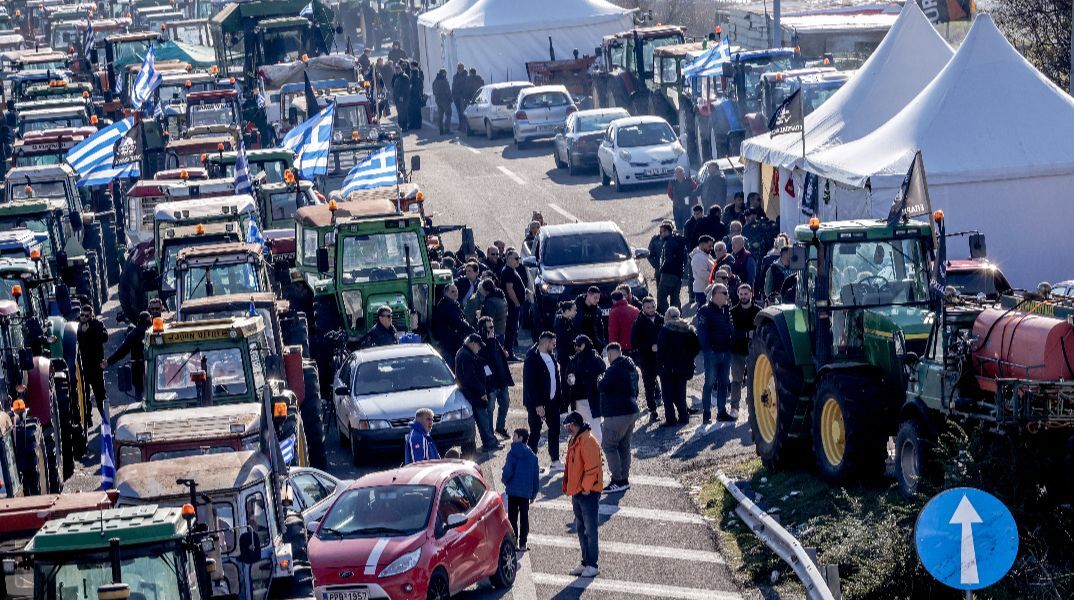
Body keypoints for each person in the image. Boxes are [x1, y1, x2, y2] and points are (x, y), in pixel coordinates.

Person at [562, 411, 602, 578]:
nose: (567, 429)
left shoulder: (588, 441)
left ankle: (592, 564)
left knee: (590, 530)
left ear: (575, 424)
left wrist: (585, 488)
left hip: (588, 493)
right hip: (578, 492)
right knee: (581, 528)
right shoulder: (575, 440)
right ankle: (585, 562)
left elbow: (592, 468)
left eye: (568, 426)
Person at [598, 343, 639, 493]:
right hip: (632, 410)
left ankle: (617, 479)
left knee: (609, 445)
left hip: (617, 413)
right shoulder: (631, 368)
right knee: (624, 445)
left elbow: (602, 386)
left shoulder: (613, 370)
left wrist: (600, 379)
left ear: (609, 355)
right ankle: (624, 479)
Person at [695, 283, 735, 423]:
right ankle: (706, 413)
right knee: (710, 383)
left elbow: (730, 327)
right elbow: (701, 332)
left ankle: (721, 411)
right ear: (715, 294)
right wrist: (708, 350)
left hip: (726, 352)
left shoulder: (725, 309)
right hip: (713, 353)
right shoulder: (704, 310)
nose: (727, 296)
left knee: (724, 382)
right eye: (724, 293)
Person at [523, 331, 563, 470]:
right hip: (537, 405)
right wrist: (537, 404)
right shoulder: (532, 359)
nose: (554, 346)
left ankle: (555, 460)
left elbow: (555, 379)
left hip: (552, 403)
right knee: (535, 432)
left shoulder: (551, 356)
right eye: (553, 344)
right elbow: (530, 384)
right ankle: (530, 463)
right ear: (546, 343)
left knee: (555, 430)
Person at [656, 307, 699, 426]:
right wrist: (688, 358)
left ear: (667, 316)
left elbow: (661, 350)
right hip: (683, 367)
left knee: (668, 395)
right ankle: (684, 417)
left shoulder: (665, 330)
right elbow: (696, 347)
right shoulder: (688, 329)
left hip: (668, 368)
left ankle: (671, 419)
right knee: (681, 393)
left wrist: (660, 366)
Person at [455, 334, 498, 451]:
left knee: (481, 418)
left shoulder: (464, 353)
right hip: (474, 395)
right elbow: (470, 377)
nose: (479, 349)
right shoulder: (466, 355)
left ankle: (487, 442)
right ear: (473, 343)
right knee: (483, 418)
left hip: (472, 393)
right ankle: (489, 442)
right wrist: (481, 392)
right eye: (478, 346)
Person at [502, 428, 540, 552]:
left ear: (521, 438)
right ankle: (523, 543)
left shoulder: (512, 453)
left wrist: (505, 480)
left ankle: (514, 542)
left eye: (515, 436)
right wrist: (534, 493)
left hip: (513, 491)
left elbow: (508, 471)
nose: (513, 438)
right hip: (525, 493)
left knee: (512, 517)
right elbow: (535, 477)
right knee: (524, 517)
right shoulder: (532, 456)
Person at [478, 316, 515, 437]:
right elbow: (487, 357)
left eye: (492, 327)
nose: (492, 330)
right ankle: (489, 434)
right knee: (490, 409)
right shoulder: (480, 343)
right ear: (483, 329)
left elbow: (500, 355)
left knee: (505, 404)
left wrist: (504, 353)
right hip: (491, 383)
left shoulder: (494, 340)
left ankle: (500, 427)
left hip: (501, 380)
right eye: (490, 327)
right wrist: (490, 342)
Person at [104, 311, 151, 401]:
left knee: (140, 398)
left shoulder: (133, 334)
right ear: (150, 319)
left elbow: (122, 351)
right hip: (157, 372)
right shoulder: (154, 331)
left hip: (138, 372)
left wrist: (109, 361)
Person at [567, 335, 605, 444]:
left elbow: (603, 372)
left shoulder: (595, 358)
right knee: (578, 429)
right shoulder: (575, 358)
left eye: (578, 344)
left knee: (595, 429)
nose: (576, 347)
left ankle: (598, 453)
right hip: (577, 400)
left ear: (585, 344)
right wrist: (569, 378)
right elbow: (568, 372)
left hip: (591, 399)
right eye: (575, 345)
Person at [631, 297, 663, 422]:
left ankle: (673, 410)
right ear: (643, 308)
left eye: (653, 306)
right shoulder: (638, 323)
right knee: (649, 386)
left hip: (662, 358)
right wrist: (650, 347)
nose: (651, 310)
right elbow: (634, 342)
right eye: (648, 307)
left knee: (668, 383)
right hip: (647, 359)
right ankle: (653, 411)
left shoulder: (662, 319)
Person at [730, 284, 760, 417]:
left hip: (754, 352)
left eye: (745, 294)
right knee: (736, 380)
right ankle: (734, 407)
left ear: (751, 294)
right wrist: (747, 334)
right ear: (738, 294)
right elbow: (732, 332)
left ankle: (752, 409)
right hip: (737, 352)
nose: (743, 296)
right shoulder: (733, 312)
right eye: (741, 294)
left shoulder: (758, 311)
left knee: (752, 381)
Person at [77, 302, 109, 421]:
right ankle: (88, 418)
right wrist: (82, 332)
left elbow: (105, 337)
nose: (83, 318)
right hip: (83, 367)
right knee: (84, 397)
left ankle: (105, 419)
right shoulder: (78, 325)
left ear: (91, 316)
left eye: (86, 316)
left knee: (100, 395)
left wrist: (89, 332)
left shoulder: (97, 324)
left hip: (96, 366)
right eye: (82, 315)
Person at [432, 284, 473, 359]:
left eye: (456, 291)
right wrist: (472, 330)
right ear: (446, 293)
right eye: (453, 292)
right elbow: (458, 322)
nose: (456, 293)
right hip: (448, 344)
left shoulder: (452, 303)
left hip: (450, 341)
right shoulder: (447, 306)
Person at [655, 221, 686, 313]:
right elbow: (685, 258)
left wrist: (662, 269)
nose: (661, 234)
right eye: (660, 232)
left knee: (661, 296)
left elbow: (668, 259)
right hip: (678, 273)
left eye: (663, 231)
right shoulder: (678, 240)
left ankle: (667, 315)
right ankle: (677, 316)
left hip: (669, 274)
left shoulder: (669, 243)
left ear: (668, 231)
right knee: (675, 297)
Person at [500, 251, 525, 359]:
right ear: (509, 259)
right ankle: (509, 353)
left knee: (513, 328)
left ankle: (509, 351)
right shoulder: (508, 271)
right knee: (511, 329)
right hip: (512, 306)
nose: (518, 260)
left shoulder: (511, 270)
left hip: (513, 306)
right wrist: (517, 303)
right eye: (516, 258)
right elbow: (509, 289)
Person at [573, 286, 606, 351]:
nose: (597, 300)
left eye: (598, 298)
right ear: (588, 295)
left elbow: (600, 328)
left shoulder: (597, 311)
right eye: (595, 298)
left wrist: (601, 342)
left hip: (593, 343)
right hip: (579, 342)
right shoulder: (575, 307)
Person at [553, 300, 577, 387]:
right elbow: (564, 338)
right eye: (574, 310)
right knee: (565, 377)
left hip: (570, 353)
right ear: (567, 311)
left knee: (571, 377)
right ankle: (565, 398)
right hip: (564, 354)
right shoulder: (560, 322)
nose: (576, 312)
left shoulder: (569, 321)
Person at [666, 166, 697, 230]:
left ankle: (687, 236)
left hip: (687, 206)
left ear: (684, 173)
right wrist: (674, 199)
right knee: (678, 224)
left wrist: (690, 197)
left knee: (687, 223)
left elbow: (695, 189)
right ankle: (680, 237)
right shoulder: (672, 182)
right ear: (675, 174)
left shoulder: (689, 180)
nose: (679, 174)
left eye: (680, 172)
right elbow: (669, 193)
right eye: (677, 172)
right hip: (677, 206)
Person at [689, 235, 716, 306]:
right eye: (709, 246)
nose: (711, 248)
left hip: (705, 288)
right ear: (702, 244)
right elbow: (702, 274)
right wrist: (716, 278)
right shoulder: (698, 257)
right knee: (703, 310)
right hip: (702, 290)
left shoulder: (704, 255)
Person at [432, 69, 452, 135]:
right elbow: (448, 90)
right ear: (443, 73)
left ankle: (441, 130)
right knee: (448, 114)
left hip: (438, 100)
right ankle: (447, 129)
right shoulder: (444, 80)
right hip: (445, 100)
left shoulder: (435, 80)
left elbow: (434, 91)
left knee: (440, 116)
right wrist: (450, 98)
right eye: (445, 73)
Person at [391, 65, 410, 131]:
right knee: (400, 113)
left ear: (398, 70)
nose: (395, 72)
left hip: (402, 99)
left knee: (403, 113)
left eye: (395, 70)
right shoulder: (398, 77)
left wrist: (401, 96)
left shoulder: (404, 77)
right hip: (398, 98)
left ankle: (404, 127)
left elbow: (405, 88)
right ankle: (401, 127)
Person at [451, 63, 469, 131]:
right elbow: (453, 86)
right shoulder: (455, 76)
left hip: (462, 96)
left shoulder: (466, 76)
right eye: (458, 68)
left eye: (460, 68)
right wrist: (452, 95)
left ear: (463, 69)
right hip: (456, 96)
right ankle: (460, 126)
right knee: (459, 112)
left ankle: (464, 127)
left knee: (463, 112)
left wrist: (464, 95)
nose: (459, 70)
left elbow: (466, 87)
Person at [408, 61, 424, 131]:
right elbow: (421, 88)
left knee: (413, 111)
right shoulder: (419, 79)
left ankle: (414, 125)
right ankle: (418, 125)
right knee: (417, 111)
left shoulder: (413, 79)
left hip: (413, 97)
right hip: (418, 96)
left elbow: (410, 88)